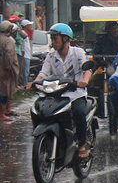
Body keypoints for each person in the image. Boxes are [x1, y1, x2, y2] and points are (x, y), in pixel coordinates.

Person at [27, 23, 93, 158]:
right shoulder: (51, 56)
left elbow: (87, 69)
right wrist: (34, 82)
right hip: (56, 93)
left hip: (75, 94)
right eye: (52, 39)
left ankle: (81, 144)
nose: (53, 42)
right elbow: (43, 73)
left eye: (55, 38)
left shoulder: (77, 52)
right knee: (37, 109)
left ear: (65, 39)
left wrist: (85, 80)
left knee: (79, 112)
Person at [0, 21, 19, 121]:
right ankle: (2, 114)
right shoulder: (8, 42)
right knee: (5, 92)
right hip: (6, 70)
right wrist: (7, 68)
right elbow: (9, 55)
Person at [20, 20, 33, 87]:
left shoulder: (26, 33)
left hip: (27, 55)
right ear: (26, 26)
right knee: (25, 72)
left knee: (26, 72)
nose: (30, 26)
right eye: (29, 25)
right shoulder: (22, 33)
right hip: (25, 55)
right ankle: (24, 85)